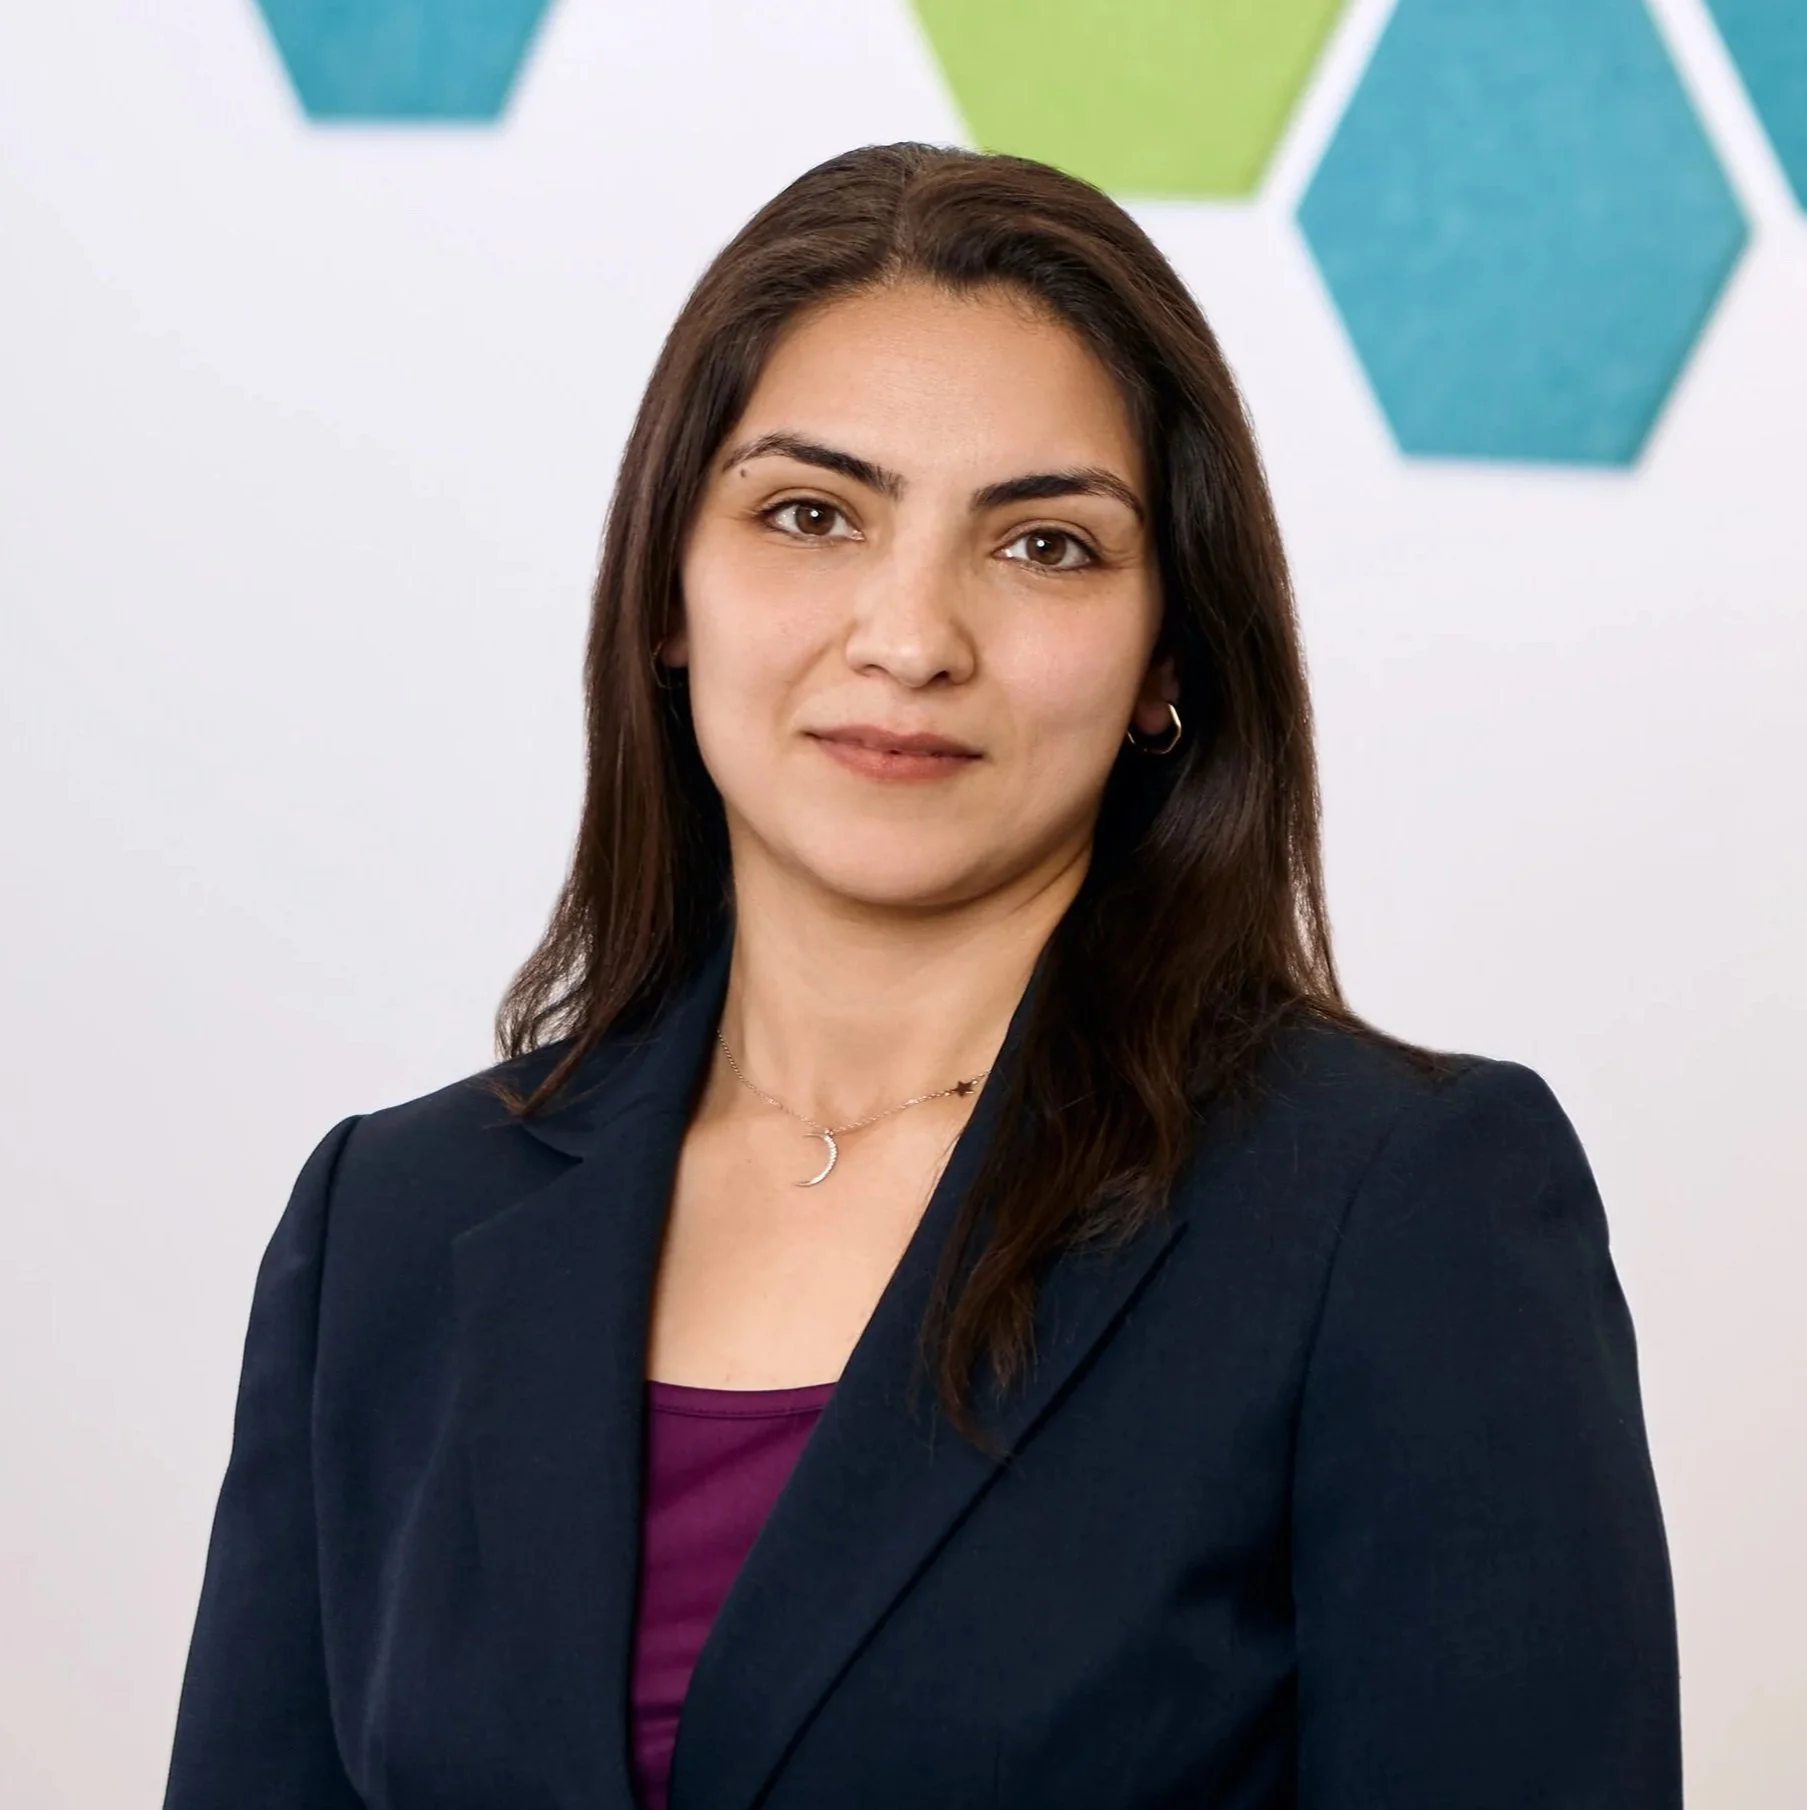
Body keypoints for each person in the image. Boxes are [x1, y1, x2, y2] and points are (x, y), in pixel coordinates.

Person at [162, 143, 1681, 1810]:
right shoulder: (385, 1224)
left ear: (1168, 653)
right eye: (811, 515)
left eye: (1042, 546)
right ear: (670, 587)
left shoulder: (1396, 1207)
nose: (909, 635)